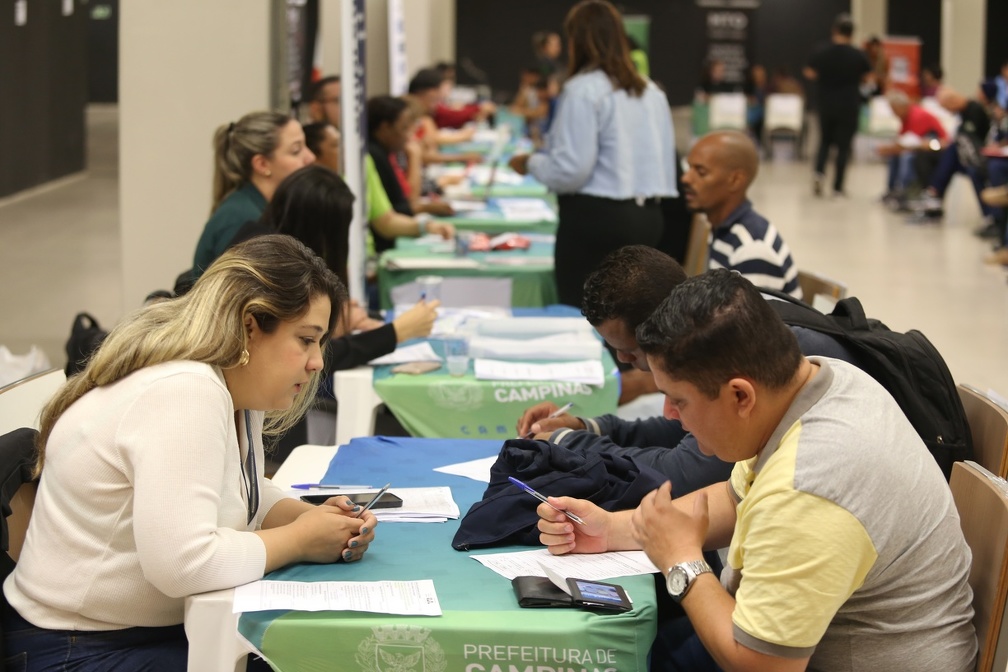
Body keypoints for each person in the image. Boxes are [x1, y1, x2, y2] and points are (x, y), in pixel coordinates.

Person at [536, 269, 978, 672]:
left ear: (740, 396)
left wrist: (683, 563)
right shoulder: (821, 381)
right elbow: (732, 498)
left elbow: (763, 667)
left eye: (680, 400)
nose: (669, 414)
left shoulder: (812, 485)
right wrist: (613, 529)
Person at [3, 236, 379, 669]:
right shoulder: (184, 390)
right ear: (250, 325)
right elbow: (184, 563)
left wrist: (309, 518)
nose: (316, 363)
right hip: (76, 650)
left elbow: (239, 491)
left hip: (128, 635)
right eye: (306, 340)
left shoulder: (232, 385)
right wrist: (298, 541)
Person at [516, 245, 855, 489]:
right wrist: (586, 428)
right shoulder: (719, 316)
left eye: (631, 352)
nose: (622, 362)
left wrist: (567, 443)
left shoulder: (735, 346)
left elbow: (683, 476)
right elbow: (685, 430)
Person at [509, 0, 678, 308]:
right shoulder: (651, 90)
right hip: (649, 218)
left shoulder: (583, 89)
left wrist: (531, 162)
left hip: (597, 221)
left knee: (582, 317)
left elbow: (571, 171)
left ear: (577, 41)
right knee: (632, 320)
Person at [191, 112, 315, 278]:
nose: (311, 157)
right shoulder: (242, 221)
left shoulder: (260, 210)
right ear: (262, 164)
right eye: (296, 150)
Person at [682, 130, 802, 298]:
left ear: (735, 180)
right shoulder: (722, 229)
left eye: (700, 172)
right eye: (688, 168)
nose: (686, 178)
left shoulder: (752, 249)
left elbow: (751, 324)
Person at [804, 13, 871, 197]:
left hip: (825, 103)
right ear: (852, 33)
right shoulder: (858, 55)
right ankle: (838, 187)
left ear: (834, 30)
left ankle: (819, 173)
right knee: (843, 146)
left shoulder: (821, 51)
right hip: (849, 105)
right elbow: (867, 78)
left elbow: (809, 72)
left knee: (824, 142)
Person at [367, 95, 454, 221]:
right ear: (385, 128)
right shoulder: (375, 156)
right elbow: (407, 201)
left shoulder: (387, 152)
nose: (409, 135)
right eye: (404, 128)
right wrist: (415, 156)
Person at [876, 89, 947, 208]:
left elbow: (911, 145)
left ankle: (905, 192)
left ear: (902, 106)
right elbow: (903, 141)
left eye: (894, 109)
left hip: (933, 148)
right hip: (921, 147)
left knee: (906, 157)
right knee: (895, 156)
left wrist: (889, 149)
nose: (893, 113)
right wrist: (891, 149)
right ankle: (892, 190)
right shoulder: (905, 117)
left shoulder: (917, 116)